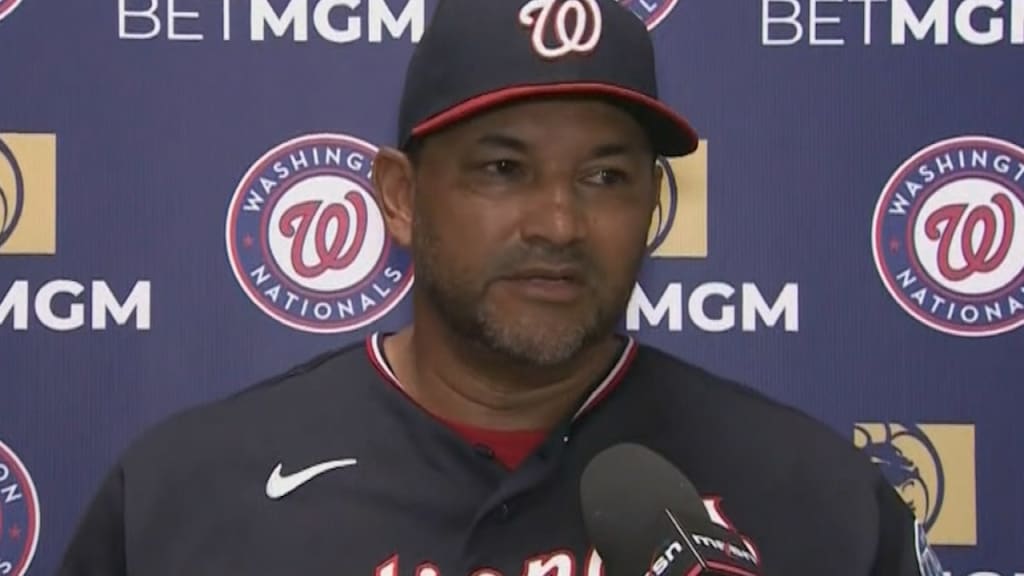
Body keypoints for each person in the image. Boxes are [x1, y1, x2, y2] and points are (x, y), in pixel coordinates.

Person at [56, 0, 942, 574]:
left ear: (653, 206)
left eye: (605, 178)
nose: (558, 223)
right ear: (400, 198)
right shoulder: (189, 493)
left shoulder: (815, 499)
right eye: (503, 168)